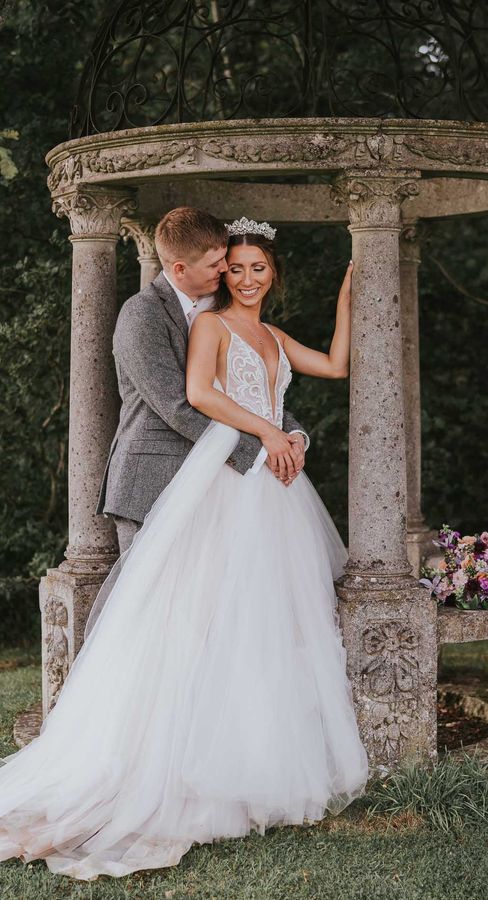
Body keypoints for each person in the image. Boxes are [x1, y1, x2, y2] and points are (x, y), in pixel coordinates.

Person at [0, 216, 368, 881]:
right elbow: (183, 400)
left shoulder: (240, 321)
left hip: (248, 482)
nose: (235, 273)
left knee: (240, 624)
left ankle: (236, 757)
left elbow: (320, 373)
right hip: (170, 478)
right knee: (151, 619)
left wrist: (352, 287)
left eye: (249, 265)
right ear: (189, 268)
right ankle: (130, 753)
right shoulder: (155, 318)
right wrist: (265, 441)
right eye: (225, 264)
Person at [98, 207, 310, 555]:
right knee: (150, 603)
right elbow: (176, 406)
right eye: (215, 264)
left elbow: (249, 391)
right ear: (180, 269)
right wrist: (259, 448)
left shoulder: (218, 311)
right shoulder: (142, 315)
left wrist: (290, 436)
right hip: (154, 478)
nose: (225, 269)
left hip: (211, 486)